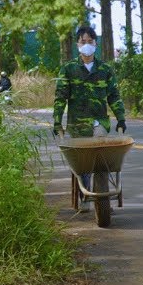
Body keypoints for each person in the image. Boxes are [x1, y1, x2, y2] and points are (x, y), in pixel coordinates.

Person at [52, 25, 126, 209]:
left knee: (100, 159)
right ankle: (85, 193)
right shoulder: (68, 70)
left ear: (96, 44)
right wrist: (57, 121)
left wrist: (121, 118)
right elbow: (60, 97)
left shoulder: (105, 70)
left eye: (90, 42)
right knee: (82, 164)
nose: (87, 45)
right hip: (77, 125)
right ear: (78, 44)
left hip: (99, 123)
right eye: (83, 42)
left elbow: (114, 96)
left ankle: (101, 195)